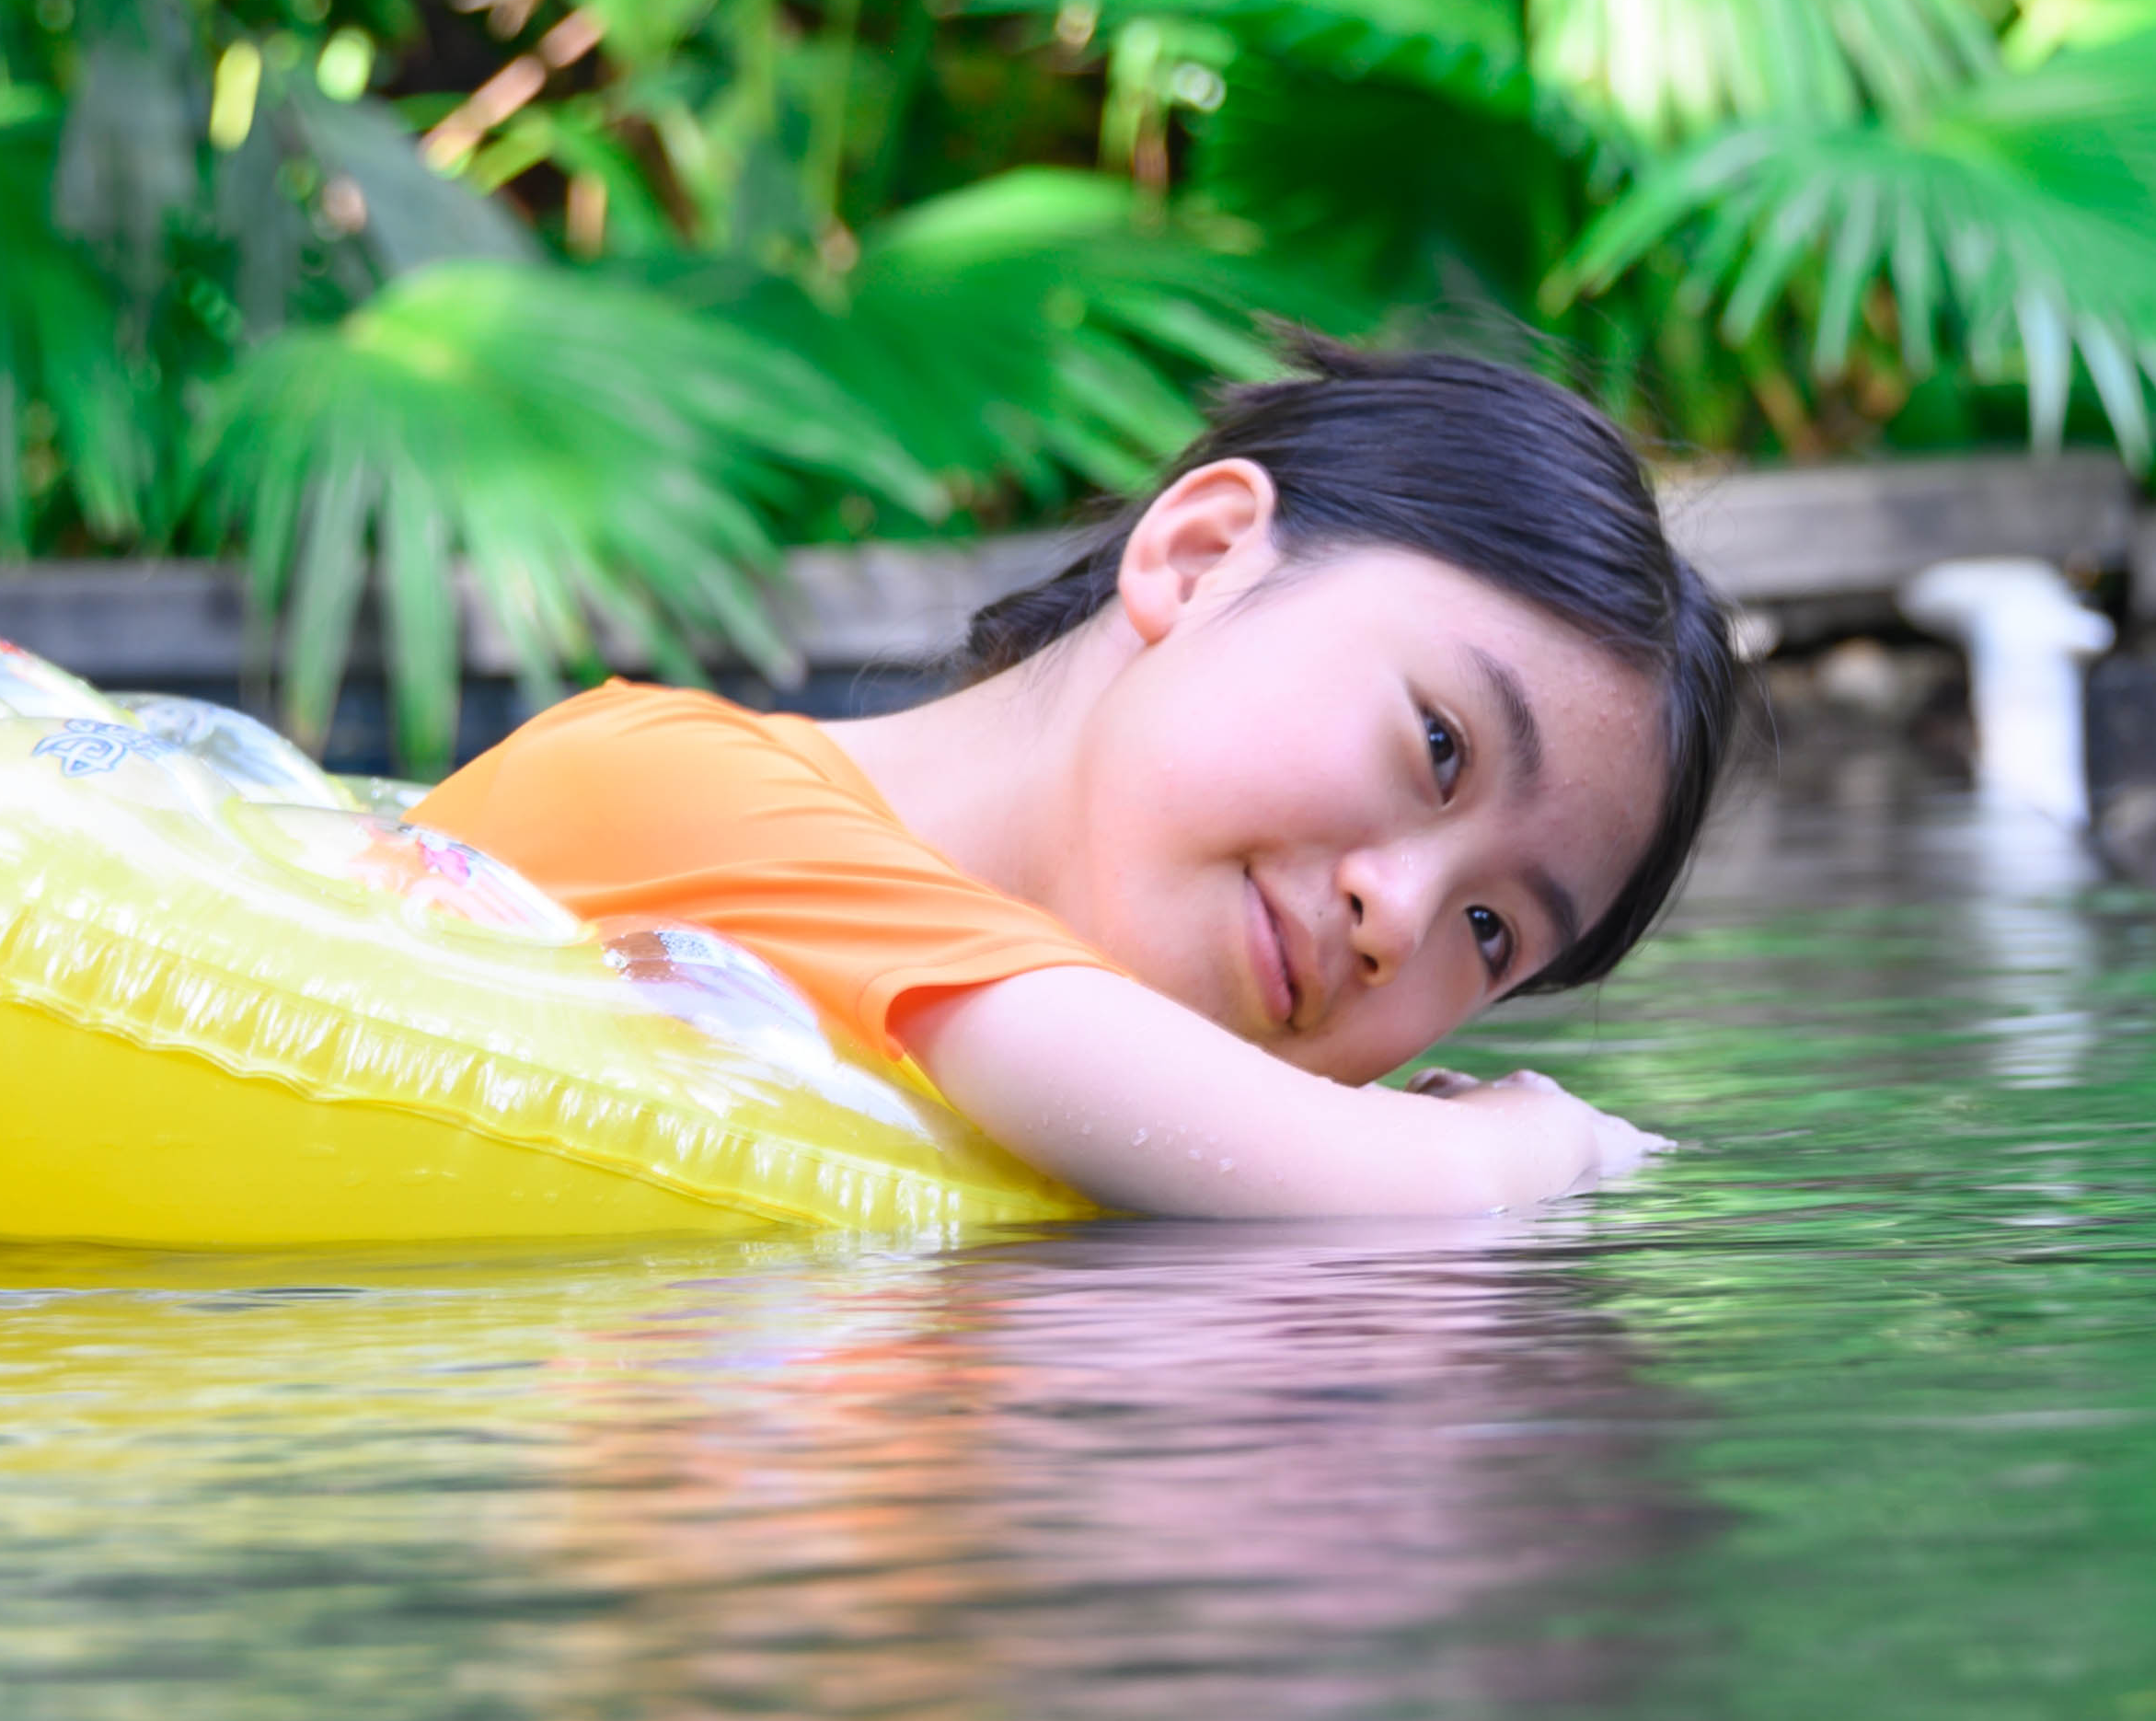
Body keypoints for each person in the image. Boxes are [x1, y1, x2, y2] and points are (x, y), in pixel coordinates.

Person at [413, 344, 1743, 1218]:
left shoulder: (1141, 1147)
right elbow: (1394, 1187)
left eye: (1491, 931)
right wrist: (1540, 1147)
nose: (1400, 919)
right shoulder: (658, 794)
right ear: (1202, 554)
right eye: (1440, 746)